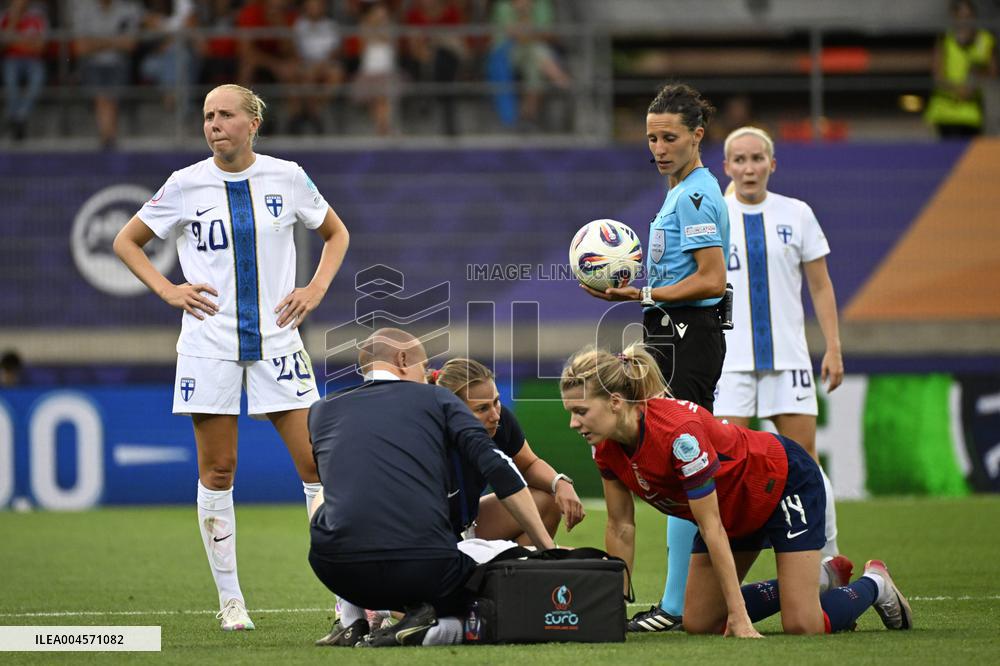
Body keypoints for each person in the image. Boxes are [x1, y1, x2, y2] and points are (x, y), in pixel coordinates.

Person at [113, 83, 350, 631]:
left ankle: (346, 600)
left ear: (252, 123)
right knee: (218, 468)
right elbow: (127, 241)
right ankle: (230, 601)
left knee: (316, 466)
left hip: (278, 340)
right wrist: (169, 289)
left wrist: (313, 290)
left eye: (224, 115)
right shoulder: (184, 184)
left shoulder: (288, 177)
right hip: (208, 344)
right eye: (207, 116)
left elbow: (336, 234)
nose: (214, 124)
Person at [560, 344, 913, 638]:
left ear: (617, 402)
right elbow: (621, 526)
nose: (573, 424)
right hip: (734, 509)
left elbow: (711, 526)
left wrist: (739, 616)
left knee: (803, 625)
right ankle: (823, 576)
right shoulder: (604, 445)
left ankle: (875, 583)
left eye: (581, 411)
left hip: (783, 484)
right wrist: (612, 613)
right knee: (700, 623)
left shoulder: (678, 436)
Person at [581, 82, 729, 633]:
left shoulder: (694, 195)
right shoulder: (678, 191)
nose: (659, 147)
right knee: (672, 460)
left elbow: (712, 279)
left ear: (697, 135)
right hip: (670, 330)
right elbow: (683, 276)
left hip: (690, 333)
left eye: (670, 137)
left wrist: (643, 295)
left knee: (681, 460)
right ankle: (675, 601)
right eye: (651, 137)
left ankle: (673, 606)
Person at [309, 328, 556, 647]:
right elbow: (500, 468)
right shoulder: (435, 398)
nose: (427, 377)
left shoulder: (322, 410)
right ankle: (438, 628)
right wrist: (548, 552)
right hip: (424, 568)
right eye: (424, 368)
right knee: (507, 571)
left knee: (326, 494)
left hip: (333, 569)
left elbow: (336, 486)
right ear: (401, 360)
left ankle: (351, 621)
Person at [719, 126, 845, 561]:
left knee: (805, 463)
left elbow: (821, 286)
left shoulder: (798, 213)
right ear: (727, 167)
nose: (749, 168)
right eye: (740, 160)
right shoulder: (714, 215)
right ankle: (724, 565)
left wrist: (832, 346)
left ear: (772, 164)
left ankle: (828, 558)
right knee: (721, 464)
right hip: (730, 363)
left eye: (757, 159)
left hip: (789, 358)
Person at [428, 358, 585, 542]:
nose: (495, 416)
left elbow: (528, 464)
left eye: (496, 401)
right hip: (426, 534)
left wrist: (559, 483)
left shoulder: (500, 420)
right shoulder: (428, 436)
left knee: (546, 503)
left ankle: (514, 569)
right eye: (482, 408)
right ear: (452, 412)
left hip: (466, 524)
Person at [71, 0, 142, 149]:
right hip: (91, 65)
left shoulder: (127, 9)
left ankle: (107, 138)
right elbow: (80, 47)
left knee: (109, 94)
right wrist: (114, 42)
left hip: (118, 64)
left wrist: (96, 43)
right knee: (102, 95)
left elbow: (130, 44)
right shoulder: (84, 9)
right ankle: (109, 138)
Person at [925, 0, 997, 138]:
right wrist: (958, 91)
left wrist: (979, 75)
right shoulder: (945, 39)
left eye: (969, 16)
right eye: (962, 17)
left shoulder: (985, 39)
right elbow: (937, 76)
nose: (966, 21)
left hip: (972, 114)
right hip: (945, 113)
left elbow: (993, 73)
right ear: (954, 17)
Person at [1, 0, 47, 141]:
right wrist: (14, 20)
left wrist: (15, 42)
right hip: (11, 60)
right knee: (11, 81)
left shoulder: (37, 17)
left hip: (32, 60)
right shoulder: (5, 17)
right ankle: (17, 119)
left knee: (37, 80)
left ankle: (18, 115)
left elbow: (40, 47)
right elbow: (3, 45)